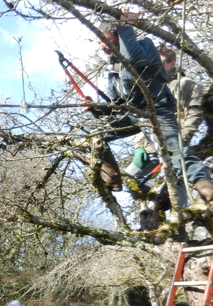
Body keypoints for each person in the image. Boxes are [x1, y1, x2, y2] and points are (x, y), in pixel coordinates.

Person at [81, 10, 213, 202]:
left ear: (118, 36)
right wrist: (97, 107)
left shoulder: (145, 46)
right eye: (98, 41)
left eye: (104, 39)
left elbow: (133, 59)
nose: (101, 45)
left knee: (177, 155)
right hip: (134, 114)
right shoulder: (113, 66)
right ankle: (112, 180)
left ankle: (208, 192)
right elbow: (118, 104)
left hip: (157, 111)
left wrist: (127, 27)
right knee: (93, 136)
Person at [126, 48, 205, 193]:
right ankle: (154, 201)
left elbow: (195, 113)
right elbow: (145, 118)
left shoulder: (187, 84)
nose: (155, 66)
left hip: (172, 144)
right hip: (151, 146)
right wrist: (139, 146)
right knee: (129, 180)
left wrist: (182, 140)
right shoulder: (152, 86)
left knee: (176, 187)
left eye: (159, 62)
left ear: (172, 63)